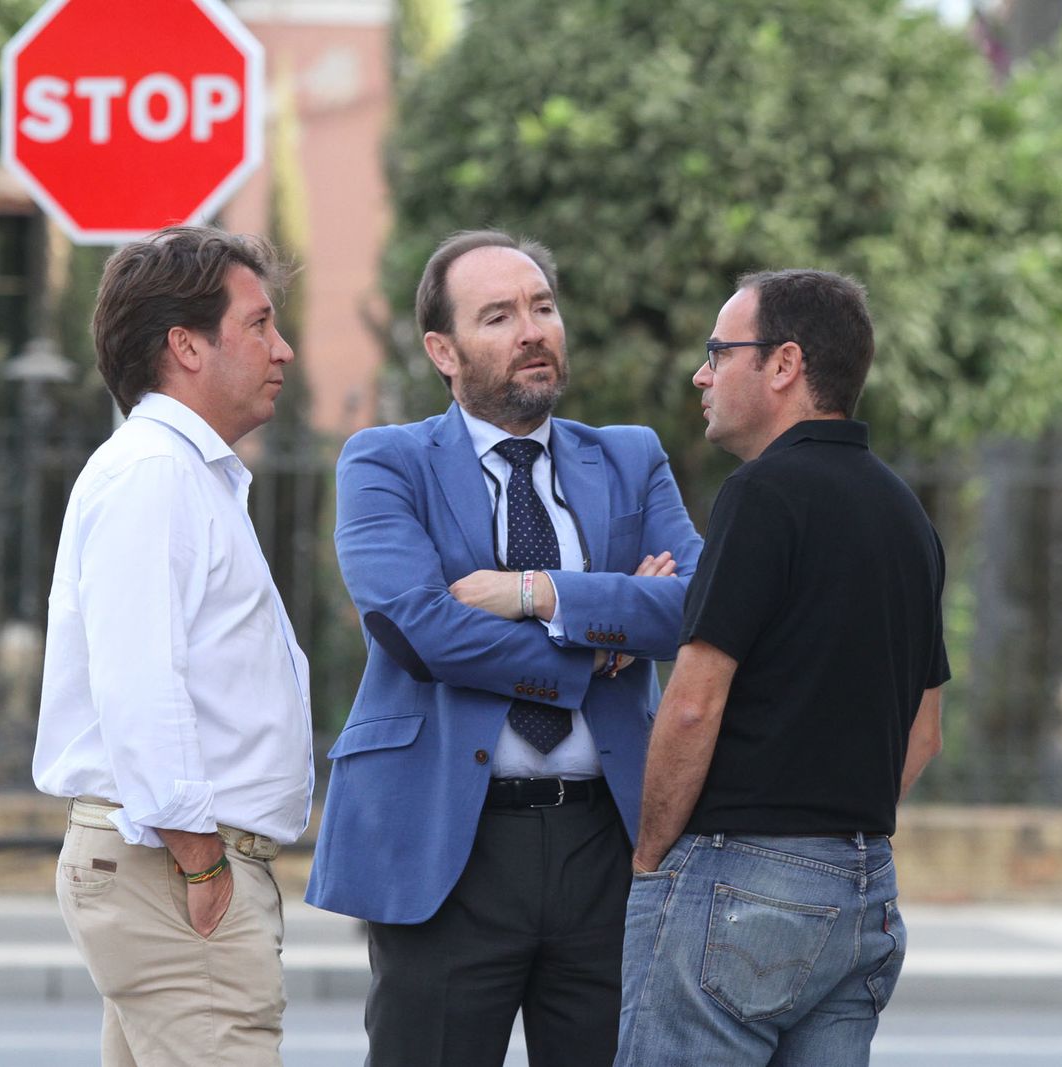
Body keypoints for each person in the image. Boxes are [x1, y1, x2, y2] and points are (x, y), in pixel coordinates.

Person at [307, 229, 703, 1067]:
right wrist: (598, 645)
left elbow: (695, 606)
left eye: (542, 307)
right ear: (442, 350)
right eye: (498, 316)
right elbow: (420, 627)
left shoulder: (630, 458)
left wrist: (542, 593)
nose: (532, 330)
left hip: (609, 843)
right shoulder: (385, 462)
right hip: (449, 841)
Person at [615, 269, 950, 1067]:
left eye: (718, 351)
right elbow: (927, 731)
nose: (702, 373)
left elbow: (692, 706)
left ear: (783, 364)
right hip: (865, 886)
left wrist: (652, 860)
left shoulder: (761, 494)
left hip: (738, 879)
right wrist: (828, 828)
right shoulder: (907, 513)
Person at [32, 225, 313, 1067]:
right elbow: (140, 681)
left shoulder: (181, 471)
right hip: (171, 865)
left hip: (168, 866)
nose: (284, 349)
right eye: (259, 324)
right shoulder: (155, 473)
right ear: (185, 346)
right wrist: (200, 864)